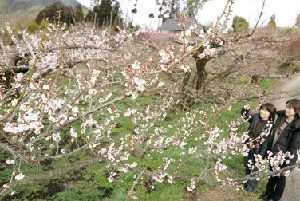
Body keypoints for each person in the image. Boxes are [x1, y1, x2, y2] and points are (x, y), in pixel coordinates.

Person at [260, 99, 300, 201]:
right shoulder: (282, 117)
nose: (286, 109)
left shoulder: (297, 126)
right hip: (274, 152)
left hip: (285, 156)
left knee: (281, 178)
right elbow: (274, 112)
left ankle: (275, 198)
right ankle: (267, 194)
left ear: (296, 110)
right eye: (286, 107)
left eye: (289, 108)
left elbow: (294, 146)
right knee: (272, 175)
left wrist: (289, 163)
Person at [241, 103, 276, 192]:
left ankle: (251, 187)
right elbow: (246, 116)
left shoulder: (270, 126)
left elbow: (266, 143)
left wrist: (261, 155)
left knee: (255, 168)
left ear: (270, 114)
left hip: (259, 149)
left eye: (266, 111)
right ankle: (246, 182)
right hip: (249, 145)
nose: (262, 112)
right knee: (247, 165)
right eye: (262, 109)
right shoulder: (256, 117)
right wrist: (245, 110)